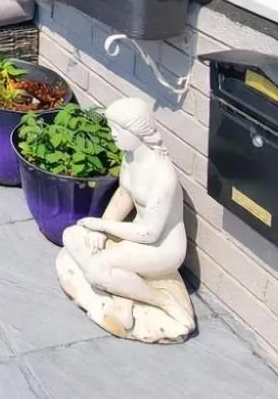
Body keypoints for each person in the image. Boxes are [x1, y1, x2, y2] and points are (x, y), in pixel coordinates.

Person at [57, 96, 196, 342]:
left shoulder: (162, 175)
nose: (113, 135)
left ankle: (161, 300)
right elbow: (124, 194)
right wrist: (99, 231)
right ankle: (123, 294)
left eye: (117, 129)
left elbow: (150, 233)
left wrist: (101, 225)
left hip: (161, 248)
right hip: (135, 237)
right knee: (72, 236)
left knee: (97, 270)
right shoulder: (131, 158)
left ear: (137, 130)